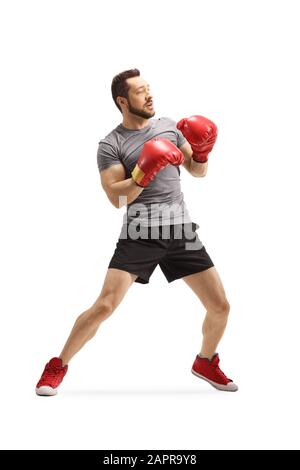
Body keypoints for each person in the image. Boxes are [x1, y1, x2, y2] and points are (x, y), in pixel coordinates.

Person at [35, 68, 238, 396]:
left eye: (149, 89)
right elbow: (116, 197)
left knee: (220, 306)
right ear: (122, 101)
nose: (149, 95)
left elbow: (197, 172)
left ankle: (204, 361)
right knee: (105, 305)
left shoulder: (170, 127)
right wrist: (144, 171)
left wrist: (202, 153)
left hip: (180, 231)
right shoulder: (110, 144)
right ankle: (56, 366)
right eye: (141, 92)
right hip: (140, 233)